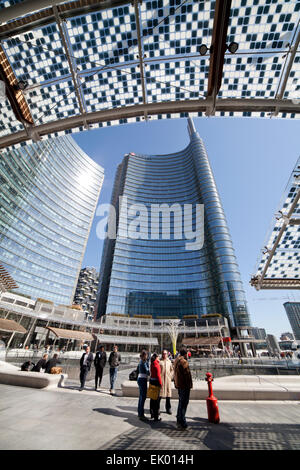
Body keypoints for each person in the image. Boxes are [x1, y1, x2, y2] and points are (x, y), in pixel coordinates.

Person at [174, 347, 193, 430]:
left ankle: (179, 420)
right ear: (185, 354)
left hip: (179, 385)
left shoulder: (176, 361)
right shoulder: (184, 362)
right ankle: (183, 422)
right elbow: (187, 376)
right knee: (184, 404)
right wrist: (190, 385)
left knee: (181, 402)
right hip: (184, 386)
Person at [159, 350, 173, 415]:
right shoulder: (160, 361)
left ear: (167, 354)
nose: (164, 355)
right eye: (163, 354)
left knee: (168, 395)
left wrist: (170, 376)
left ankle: (168, 408)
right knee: (160, 395)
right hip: (161, 380)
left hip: (168, 380)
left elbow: (172, 370)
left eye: (165, 354)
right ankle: (157, 408)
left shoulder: (169, 362)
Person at [137, 350, 150, 421]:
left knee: (141, 397)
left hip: (140, 379)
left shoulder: (141, 361)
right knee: (143, 397)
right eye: (147, 355)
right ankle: (141, 414)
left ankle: (140, 412)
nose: (147, 356)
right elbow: (147, 371)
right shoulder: (144, 362)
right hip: (142, 379)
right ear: (145, 355)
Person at [149, 353, 162, 421]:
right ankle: (156, 416)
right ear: (156, 357)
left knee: (152, 398)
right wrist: (160, 384)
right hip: (156, 382)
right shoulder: (156, 364)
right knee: (156, 400)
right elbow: (158, 375)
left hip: (152, 381)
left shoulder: (152, 363)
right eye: (158, 357)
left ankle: (152, 414)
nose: (159, 358)